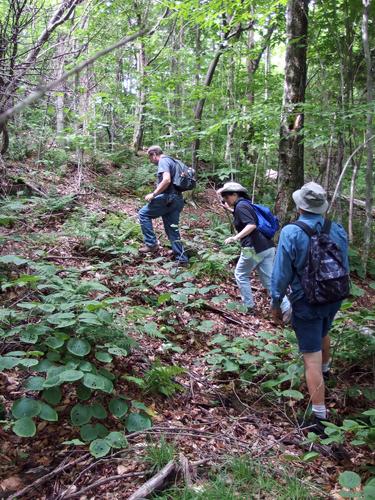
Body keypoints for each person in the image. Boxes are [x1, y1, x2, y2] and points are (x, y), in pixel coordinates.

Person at [271, 182, 349, 434]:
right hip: (333, 295)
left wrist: (275, 301)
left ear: (300, 205)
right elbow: (344, 264)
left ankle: (318, 419)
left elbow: (281, 273)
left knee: (310, 357)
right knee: (324, 332)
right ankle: (326, 374)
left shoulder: (291, 232)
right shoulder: (335, 228)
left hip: (307, 300)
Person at [217, 182, 291, 318]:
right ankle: (286, 307)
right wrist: (230, 210)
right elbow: (249, 219)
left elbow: (251, 225)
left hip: (253, 248)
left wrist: (235, 237)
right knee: (268, 280)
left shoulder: (241, 207)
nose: (225, 200)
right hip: (266, 248)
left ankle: (248, 306)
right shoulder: (245, 204)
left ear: (234, 194)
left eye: (226, 197)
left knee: (240, 274)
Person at [138, 145, 188, 265]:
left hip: (167, 198)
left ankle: (151, 244)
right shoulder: (174, 161)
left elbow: (166, 180)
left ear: (154, 154)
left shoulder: (163, 161)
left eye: (150, 158)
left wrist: (154, 194)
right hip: (177, 200)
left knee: (143, 214)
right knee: (172, 230)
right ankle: (182, 259)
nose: (150, 161)